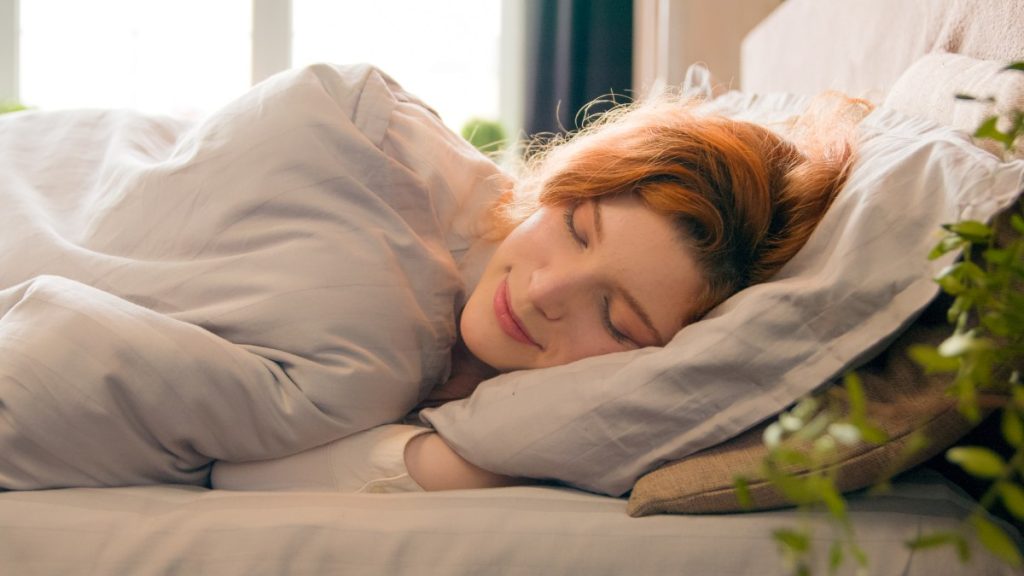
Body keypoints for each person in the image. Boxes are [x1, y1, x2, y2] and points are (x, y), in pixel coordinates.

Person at [212, 90, 872, 493]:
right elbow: (231, 464)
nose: (547, 289)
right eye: (579, 231)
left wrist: (503, 457)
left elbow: (242, 465)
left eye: (616, 321)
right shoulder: (403, 207)